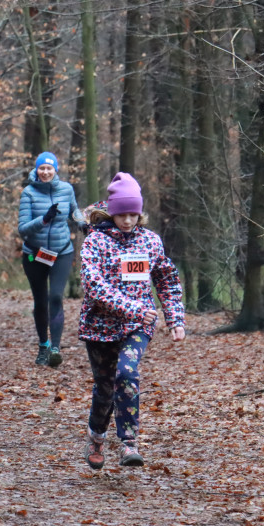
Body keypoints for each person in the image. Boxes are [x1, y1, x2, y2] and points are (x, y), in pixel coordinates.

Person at [78, 173, 185, 469]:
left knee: (126, 374)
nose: (127, 220)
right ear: (112, 212)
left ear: (140, 212)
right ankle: (96, 439)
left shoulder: (150, 241)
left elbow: (167, 280)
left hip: (137, 328)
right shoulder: (95, 242)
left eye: (133, 214)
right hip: (99, 328)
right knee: (104, 389)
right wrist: (134, 309)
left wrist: (175, 318)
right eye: (122, 213)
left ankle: (129, 444)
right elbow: (93, 287)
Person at [17, 152, 82, 368]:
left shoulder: (66, 189)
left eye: (49, 168)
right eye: (41, 168)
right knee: (41, 300)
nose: (45, 172)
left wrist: (83, 223)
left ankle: (55, 348)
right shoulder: (29, 192)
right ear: (36, 170)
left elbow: (75, 212)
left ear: (56, 169)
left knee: (55, 296)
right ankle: (43, 345)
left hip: (61, 251)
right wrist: (44, 219)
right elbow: (23, 229)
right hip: (34, 254)